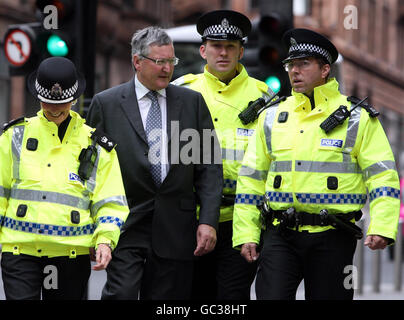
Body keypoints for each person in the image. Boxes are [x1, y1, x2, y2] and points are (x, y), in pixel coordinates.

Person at [233, 28, 400, 300]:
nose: (294, 71)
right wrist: (246, 232)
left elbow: (382, 177)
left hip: (334, 237)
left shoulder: (357, 118)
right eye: (290, 65)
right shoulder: (272, 116)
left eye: (303, 64)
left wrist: (382, 226)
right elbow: (251, 178)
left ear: (325, 69)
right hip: (280, 233)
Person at [86, 26, 223, 300]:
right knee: (121, 294)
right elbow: (90, 170)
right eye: (159, 62)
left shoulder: (192, 103)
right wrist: (94, 229)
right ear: (137, 61)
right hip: (125, 223)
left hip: (176, 225)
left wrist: (208, 221)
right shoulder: (107, 104)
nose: (167, 69)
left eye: (171, 61)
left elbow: (208, 166)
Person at [0, 57, 129, 300]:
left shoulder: (95, 144)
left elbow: (110, 201)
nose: (55, 109)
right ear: (38, 97)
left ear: (73, 98)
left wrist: (104, 241)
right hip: (19, 251)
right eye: (48, 103)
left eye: (62, 103)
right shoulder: (14, 136)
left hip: (70, 255)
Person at [172, 10, 274, 300]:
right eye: (216, 46)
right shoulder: (181, 91)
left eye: (231, 47)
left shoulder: (263, 96)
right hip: (190, 217)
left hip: (240, 218)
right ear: (203, 50)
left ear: (241, 51)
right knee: (191, 294)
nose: (223, 53)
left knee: (232, 296)